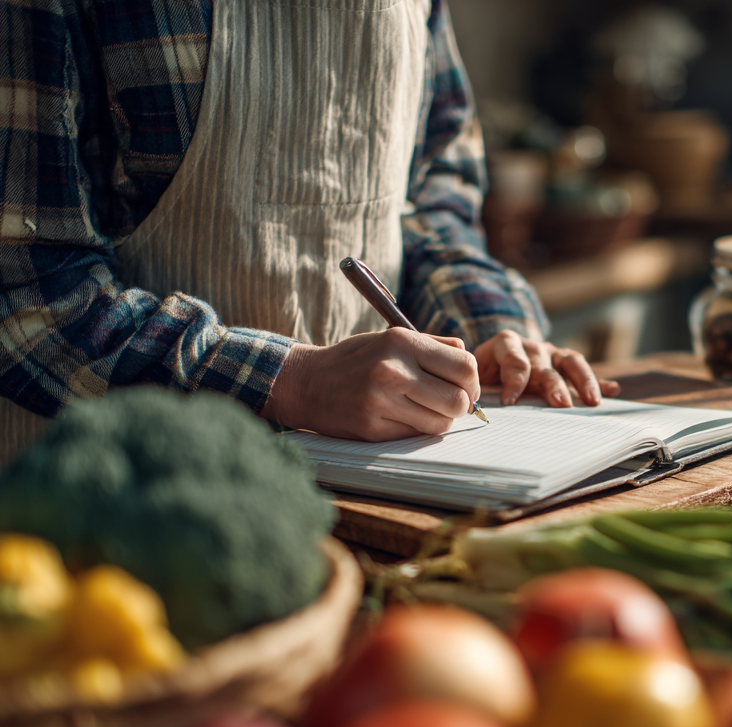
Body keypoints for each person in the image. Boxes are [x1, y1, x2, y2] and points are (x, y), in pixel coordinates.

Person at [0, 0, 617, 456]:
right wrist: (292, 383)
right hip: (100, 524)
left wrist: (491, 334)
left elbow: (432, 199)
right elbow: (26, 297)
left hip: (368, 492)